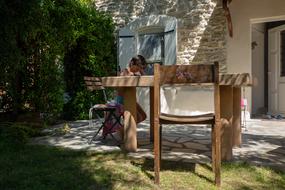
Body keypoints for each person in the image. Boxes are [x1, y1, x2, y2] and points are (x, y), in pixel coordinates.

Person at [116, 55, 147, 124]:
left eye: (140, 68)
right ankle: (126, 129)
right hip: (122, 100)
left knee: (143, 116)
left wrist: (141, 71)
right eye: (138, 67)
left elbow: (145, 79)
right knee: (137, 117)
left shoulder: (134, 74)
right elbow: (119, 86)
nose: (138, 70)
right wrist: (129, 76)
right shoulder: (125, 71)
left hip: (131, 99)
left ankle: (125, 129)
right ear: (132, 64)